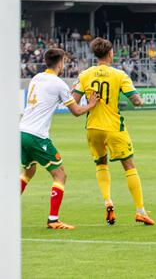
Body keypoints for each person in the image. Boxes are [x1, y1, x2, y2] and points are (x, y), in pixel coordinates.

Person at [73, 37, 155, 226]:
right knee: (129, 166)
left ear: (95, 54)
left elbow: (74, 101)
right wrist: (140, 101)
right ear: (111, 53)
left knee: (101, 164)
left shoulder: (85, 74)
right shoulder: (119, 75)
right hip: (113, 128)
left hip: (93, 128)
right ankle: (140, 210)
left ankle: (108, 201)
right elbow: (136, 100)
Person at [20, 48, 99, 230]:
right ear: (61, 62)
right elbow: (77, 112)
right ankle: (53, 220)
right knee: (60, 174)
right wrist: (92, 104)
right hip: (36, 136)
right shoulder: (58, 83)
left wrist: (67, 94)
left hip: (22, 131)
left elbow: (48, 98)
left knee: (28, 172)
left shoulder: (36, 78)